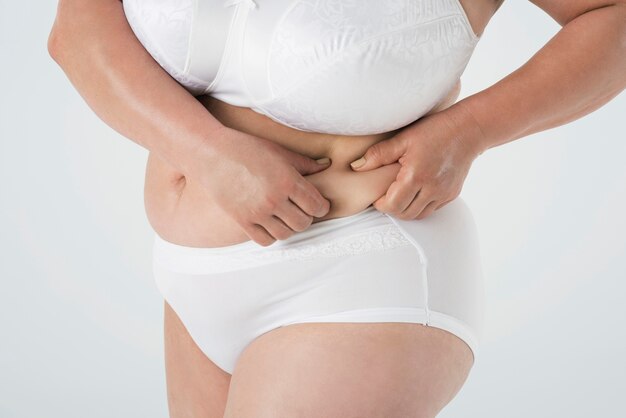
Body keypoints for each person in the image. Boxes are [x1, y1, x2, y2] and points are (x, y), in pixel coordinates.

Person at [48, 0, 625, 417]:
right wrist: (209, 154)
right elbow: (77, 30)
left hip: (358, 272)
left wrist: (471, 129)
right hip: (190, 283)